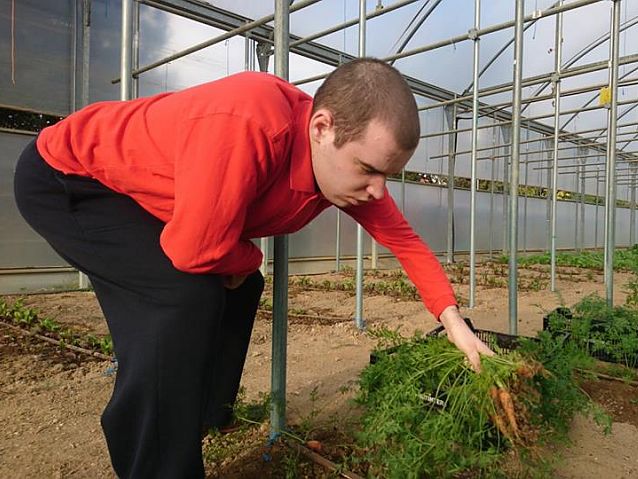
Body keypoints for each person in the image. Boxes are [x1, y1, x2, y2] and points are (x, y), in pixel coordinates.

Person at [13, 58, 493, 478]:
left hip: (137, 192)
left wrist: (454, 324)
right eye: (369, 168)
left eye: (388, 175)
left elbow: (404, 241)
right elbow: (193, 252)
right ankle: (157, 465)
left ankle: (204, 414)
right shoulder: (250, 119)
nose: (377, 190)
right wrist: (249, 255)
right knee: (180, 294)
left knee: (240, 288)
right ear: (322, 128)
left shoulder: (345, 171)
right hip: (70, 178)